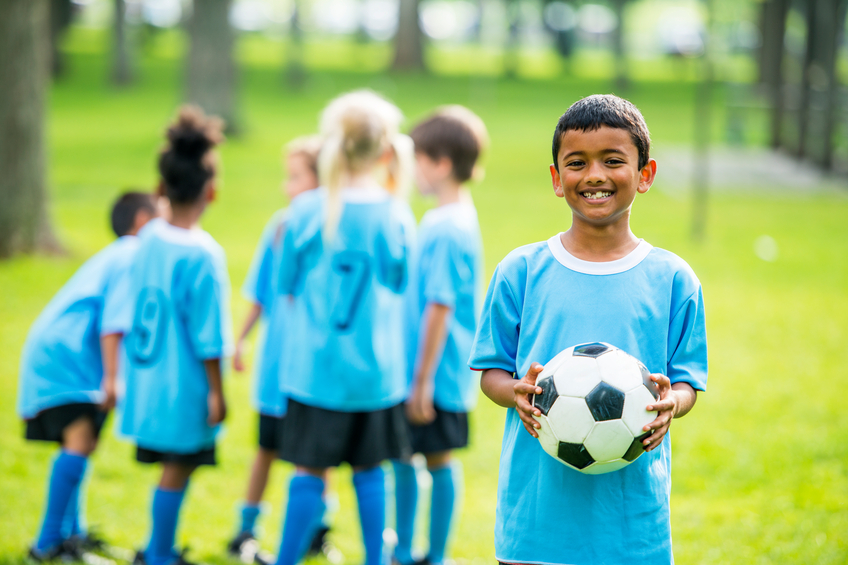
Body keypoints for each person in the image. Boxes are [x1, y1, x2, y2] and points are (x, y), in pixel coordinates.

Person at [468, 94, 708, 565]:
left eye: (613, 161)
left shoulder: (673, 279)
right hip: (534, 526)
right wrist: (515, 393)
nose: (595, 175)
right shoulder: (521, 271)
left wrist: (672, 404)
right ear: (557, 179)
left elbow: (686, 383)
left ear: (645, 174)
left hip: (632, 531)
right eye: (577, 163)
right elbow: (492, 373)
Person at [273, 90, 416, 565]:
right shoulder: (395, 211)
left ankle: (286, 558)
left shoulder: (305, 209)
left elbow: (285, 283)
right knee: (371, 472)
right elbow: (400, 281)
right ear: (384, 149)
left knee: (308, 472)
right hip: (375, 375)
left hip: (316, 372)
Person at [115, 106, 232, 565]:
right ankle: (158, 552)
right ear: (212, 192)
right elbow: (210, 336)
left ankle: (157, 548)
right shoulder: (203, 254)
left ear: (160, 189)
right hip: (182, 383)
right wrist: (217, 392)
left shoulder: (147, 238)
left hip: (147, 373)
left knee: (171, 467)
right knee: (179, 467)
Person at [17, 191, 158, 562]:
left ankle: (72, 534)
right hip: (67, 357)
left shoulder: (119, 253)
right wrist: (113, 378)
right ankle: (48, 543)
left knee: (82, 441)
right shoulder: (132, 254)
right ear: (142, 221)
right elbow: (114, 322)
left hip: (63, 354)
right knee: (79, 440)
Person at [227, 136, 339, 564]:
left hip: (316, 365)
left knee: (318, 455)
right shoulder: (280, 225)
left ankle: (318, 529)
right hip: (278, 365)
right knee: (268, 447)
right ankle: (246, 527)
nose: (286, 186)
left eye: (295, 177)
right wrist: (241, 338)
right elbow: (260, 291)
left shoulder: (337, 226)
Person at [392, 108, 486, 565]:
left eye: (418, 160)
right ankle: (405, 549)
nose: (412, 171)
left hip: (435, 372)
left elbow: (440, 306)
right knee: (406, 456)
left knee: (436, 458)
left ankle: (434, 554)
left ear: (442, 163)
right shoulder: (447, 218)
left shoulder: (448, 227)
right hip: (426, 369)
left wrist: (422, 379)